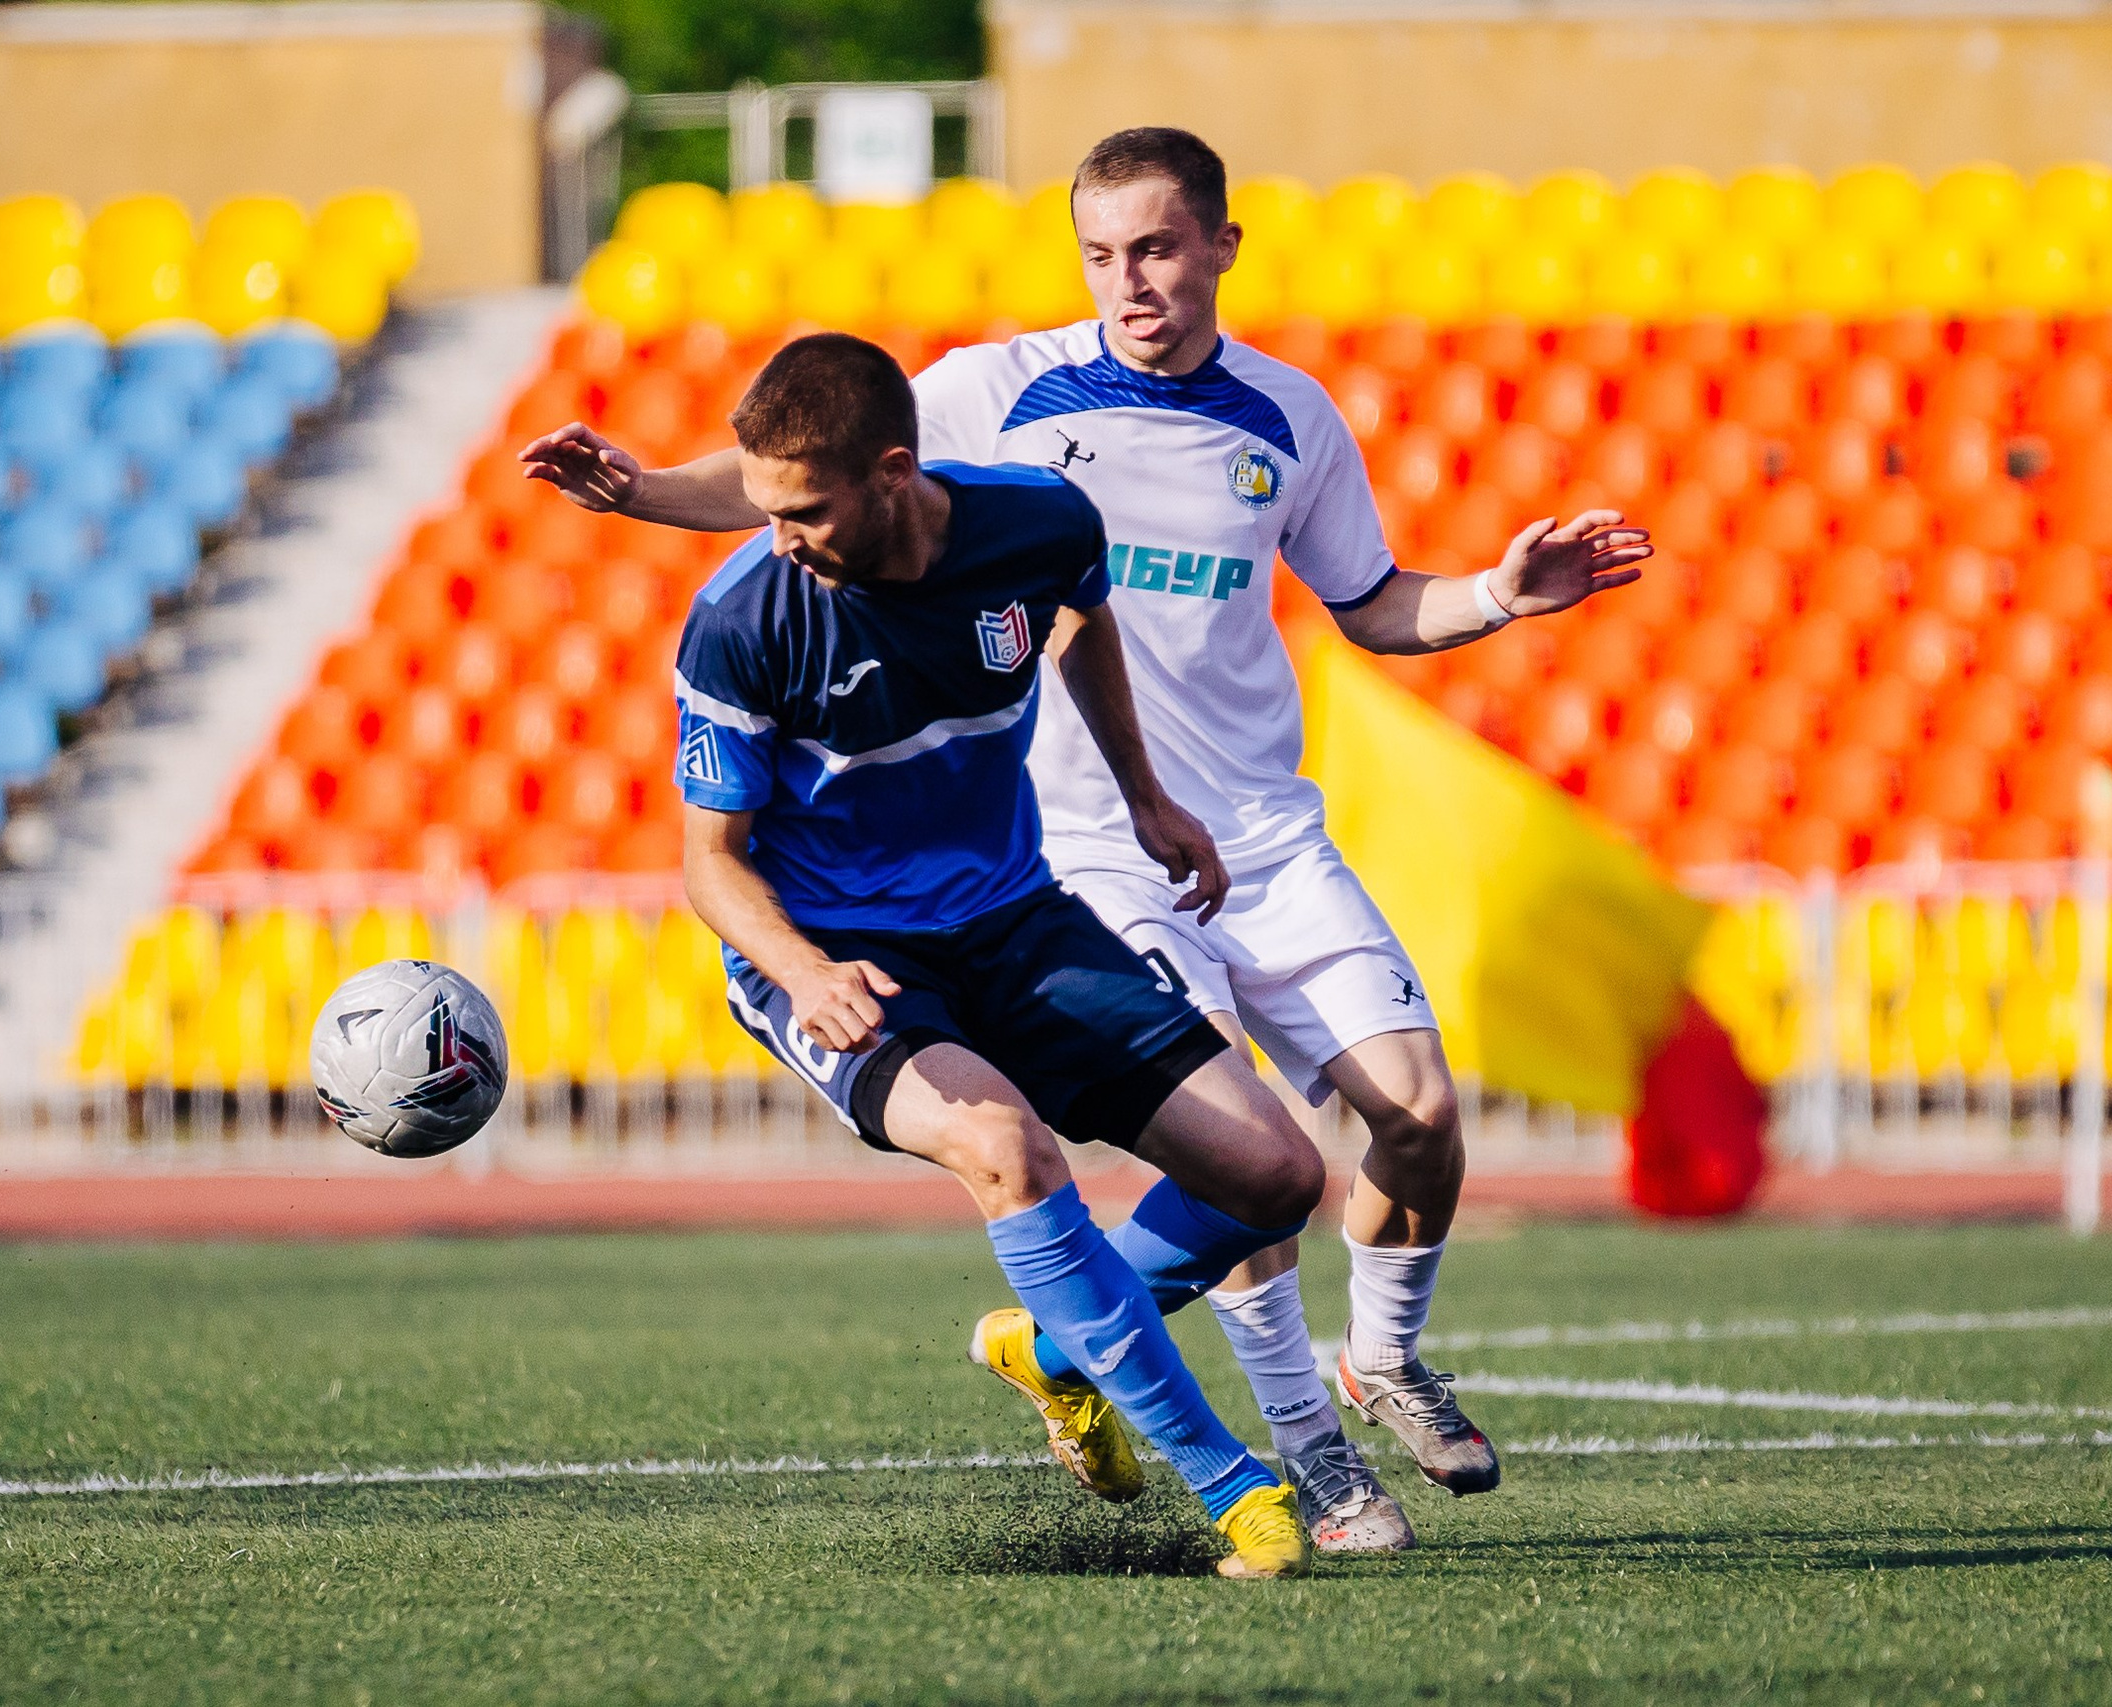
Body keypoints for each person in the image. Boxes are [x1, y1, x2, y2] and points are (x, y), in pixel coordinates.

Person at [522, 133, 1648, 1553]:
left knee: (1410, 1117)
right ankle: (1302, 1465)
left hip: (1254, 825)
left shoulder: (1287, 419)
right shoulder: (993, 392)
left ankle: (1301, 1353)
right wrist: (641, 493)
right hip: (1083, 850)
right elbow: (797, 475)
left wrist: (1494, 592)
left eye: (1160, 249)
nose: (1132, 282)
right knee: (1227, 1148)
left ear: (1223, 247)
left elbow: (1362, 603)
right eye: (1103, 255)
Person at [658, 329, 1334, 1578]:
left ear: (896, 473)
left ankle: (1058, 1350)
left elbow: (1082, 621)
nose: (777, 537)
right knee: (1005, 1149)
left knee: (1279, 1177)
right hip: (841, 958)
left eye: (802, 511)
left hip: (1016, 918)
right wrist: (804, 975)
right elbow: (711, 860)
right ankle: (1236, 1489)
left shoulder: (1039, 522)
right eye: (760, 510)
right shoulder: (741, 622)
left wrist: (1144, 796)